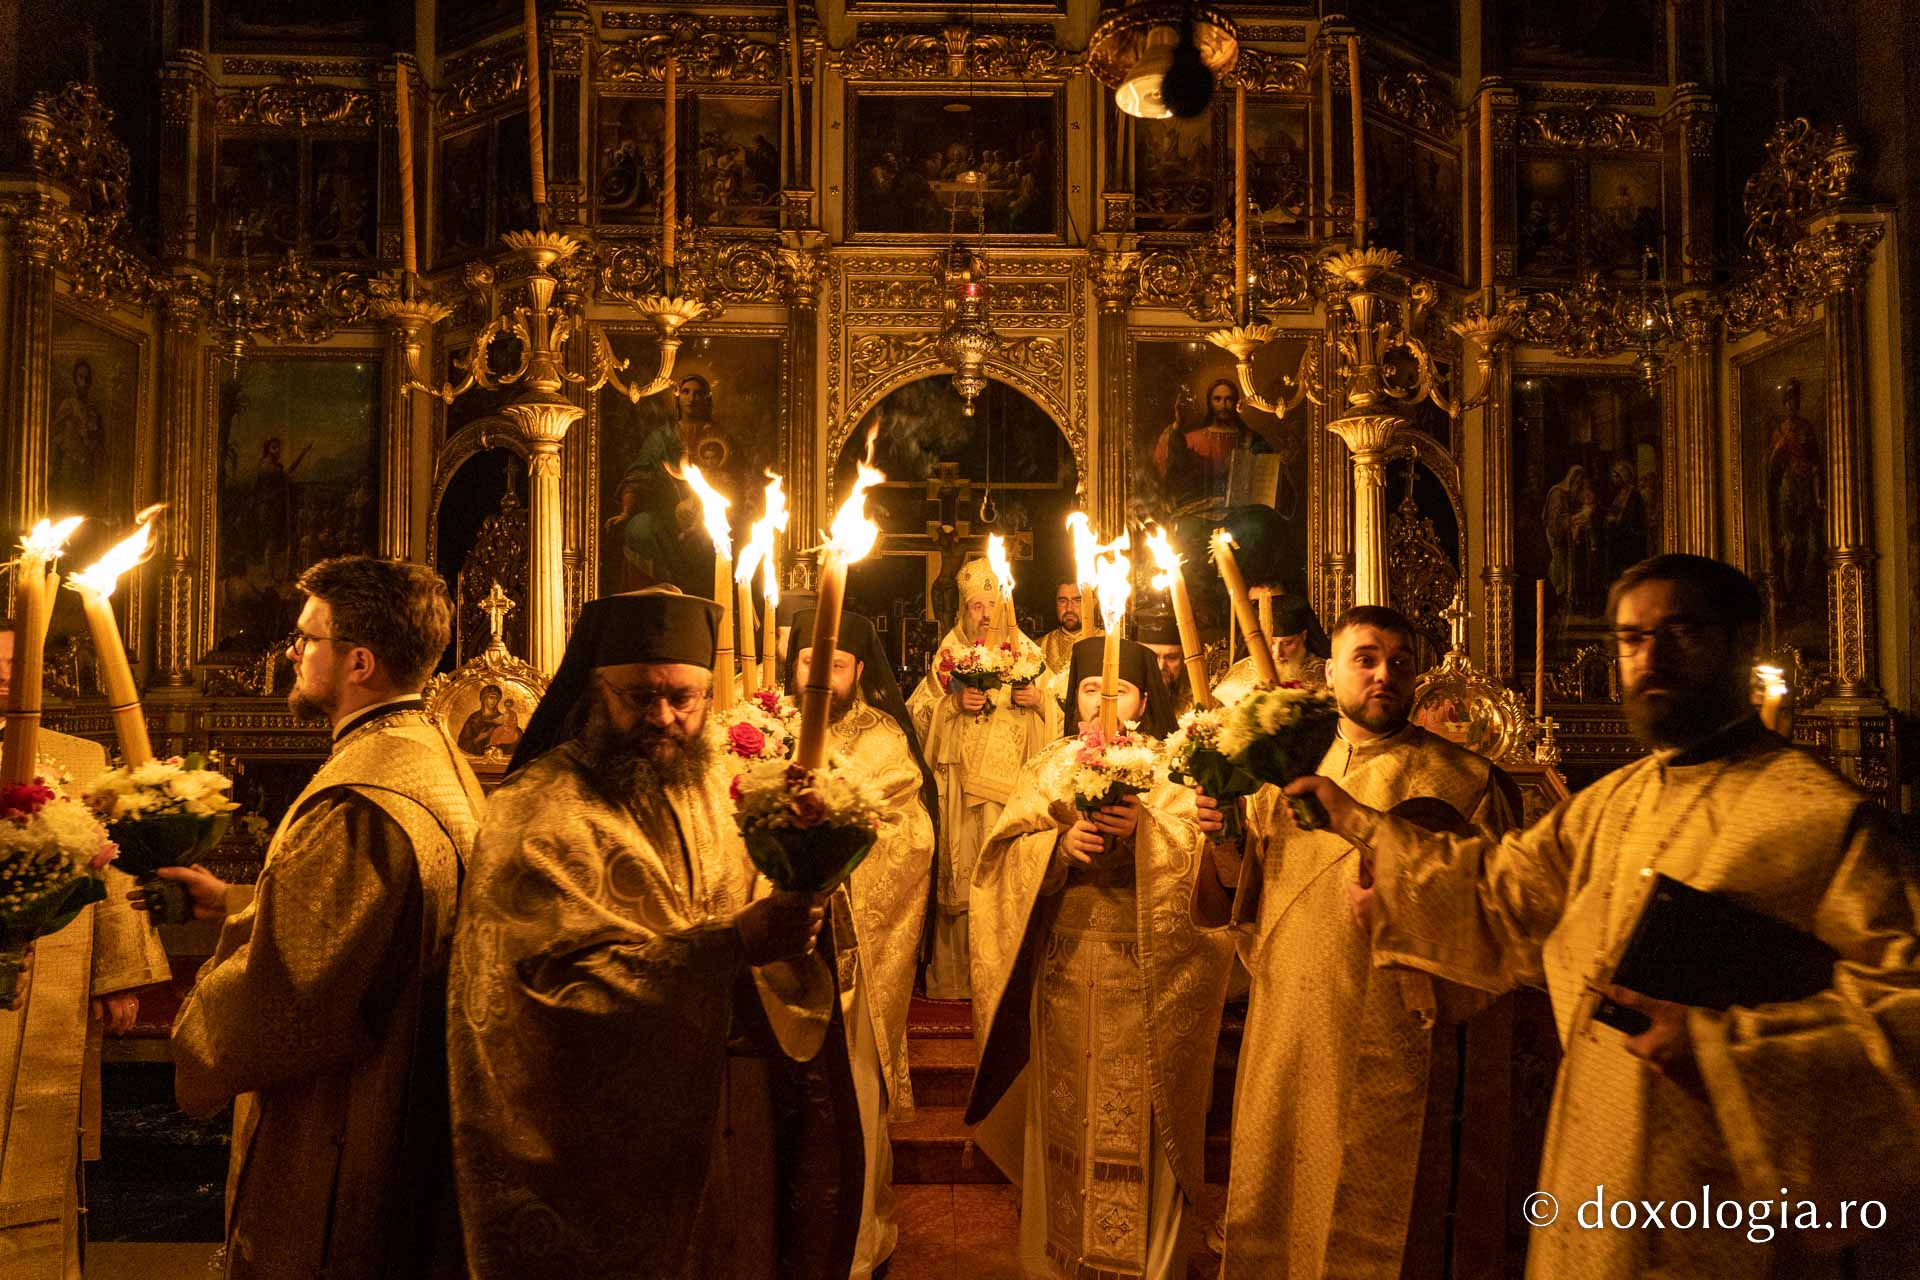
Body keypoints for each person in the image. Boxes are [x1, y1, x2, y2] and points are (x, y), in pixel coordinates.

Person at [1286, 556, 1920, 1279]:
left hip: (1729, 1207)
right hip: (1597, 1165)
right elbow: (1502, 896)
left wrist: (1728, 1047)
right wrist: (1364, 828)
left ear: (1742, 641)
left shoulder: (1821, 817)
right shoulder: (1609, 804)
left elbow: (1905, 1011)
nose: (1651, 657)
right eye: (1630, 639)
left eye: (1679, 631)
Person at [447, 588, 835, 1278]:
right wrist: (732, 943)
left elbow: (760, 903)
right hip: (588, 1150)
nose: (662, 718)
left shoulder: (713, 788)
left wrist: (806, 871)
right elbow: (555, 988)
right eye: (639, 696)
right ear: (597, 692)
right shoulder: (536, 812)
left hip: (706, 1115)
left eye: (683, 698)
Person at [167, 557, 485, 1279]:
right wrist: (237, 901)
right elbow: (383, 919)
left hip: (351, 1119)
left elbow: (290, 993)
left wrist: (198, 1038)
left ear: (359, 661)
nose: (293, 652)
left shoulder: (359, 797)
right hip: (414, 1098)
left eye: (308, 638)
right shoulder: (433, 756)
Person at [1202, 605, 1519, 1277]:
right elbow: (1238, 897)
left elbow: (1490, 919)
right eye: (1365, 659)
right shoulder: (1279, 768)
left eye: (1400, 663)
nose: (1384, 676)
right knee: (1273, 1199)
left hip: (1391, 1033)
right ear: (1332, 670)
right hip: (1286, 1024)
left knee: (1379, 1212)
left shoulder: (1464, 779)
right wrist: (1220, 833)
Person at [968, 636, 1234, 1278]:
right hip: (1062, 977)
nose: (1104, 700)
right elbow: (999, 861)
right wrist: (1057, 850)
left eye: (1118, 690)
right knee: (1064, 1125)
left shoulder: (1174, 768)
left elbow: (1207, 871)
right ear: (1074, 696)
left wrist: (1146, 834)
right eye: (1091, 688)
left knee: (1140, 1126)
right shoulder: (1049, 765)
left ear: (1144, 699)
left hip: (1147, 988)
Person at [0, 622, 168, 1279]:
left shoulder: (82, 758)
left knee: (36, 1148)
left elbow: (113, 869)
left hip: (52, 981)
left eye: (18, 661)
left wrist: (116, 975)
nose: (7, 673)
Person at [784, 609, 937, 1280]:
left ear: (860, 671)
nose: (820, 676)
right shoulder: (757, 726)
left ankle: (857, 1242)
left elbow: (913, 839)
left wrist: (835, 862)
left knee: (850, 1091)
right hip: (770, 958)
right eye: (808, 662)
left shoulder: (882, 743)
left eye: (836, 665)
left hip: (849, 955)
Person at [906, 558, 1056, 999]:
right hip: (960, 792)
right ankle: (955, 981)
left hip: (1013, 794)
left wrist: (1039, 700)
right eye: (976, 606)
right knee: (963, 877)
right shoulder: (949, 654)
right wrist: (952, 706)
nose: (985, 615)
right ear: (963, 610)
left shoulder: (1028, 654)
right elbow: (918, 712)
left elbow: (1065, 717)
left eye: (992, 605)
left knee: (1006, 880)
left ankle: (1004, 978)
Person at [1215, 592, 1329, 704]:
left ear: (1303, 636)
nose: (1277, 654)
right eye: (1272, 642)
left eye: (1287, 643)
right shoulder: (1242, 670)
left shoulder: (1325, 673)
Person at [1134, 607, 1194, 717]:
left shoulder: (1197, 711)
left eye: (1171, 657)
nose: (1161, 666)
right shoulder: (1122, 705)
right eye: (1152, 657)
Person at [1038, 578, 1089, 675]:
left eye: (1077, 600)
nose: (1069, 608)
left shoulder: (1104, 642)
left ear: (1091, 603)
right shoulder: (1039, 647)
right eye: (1063, 601)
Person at [455, 683, 521, 757]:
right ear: (484, 699)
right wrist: (478, 739)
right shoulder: (474, 718)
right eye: (491, 697)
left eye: (496, 698)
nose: (494, 701)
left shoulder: (503, 718)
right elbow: (462, 744)